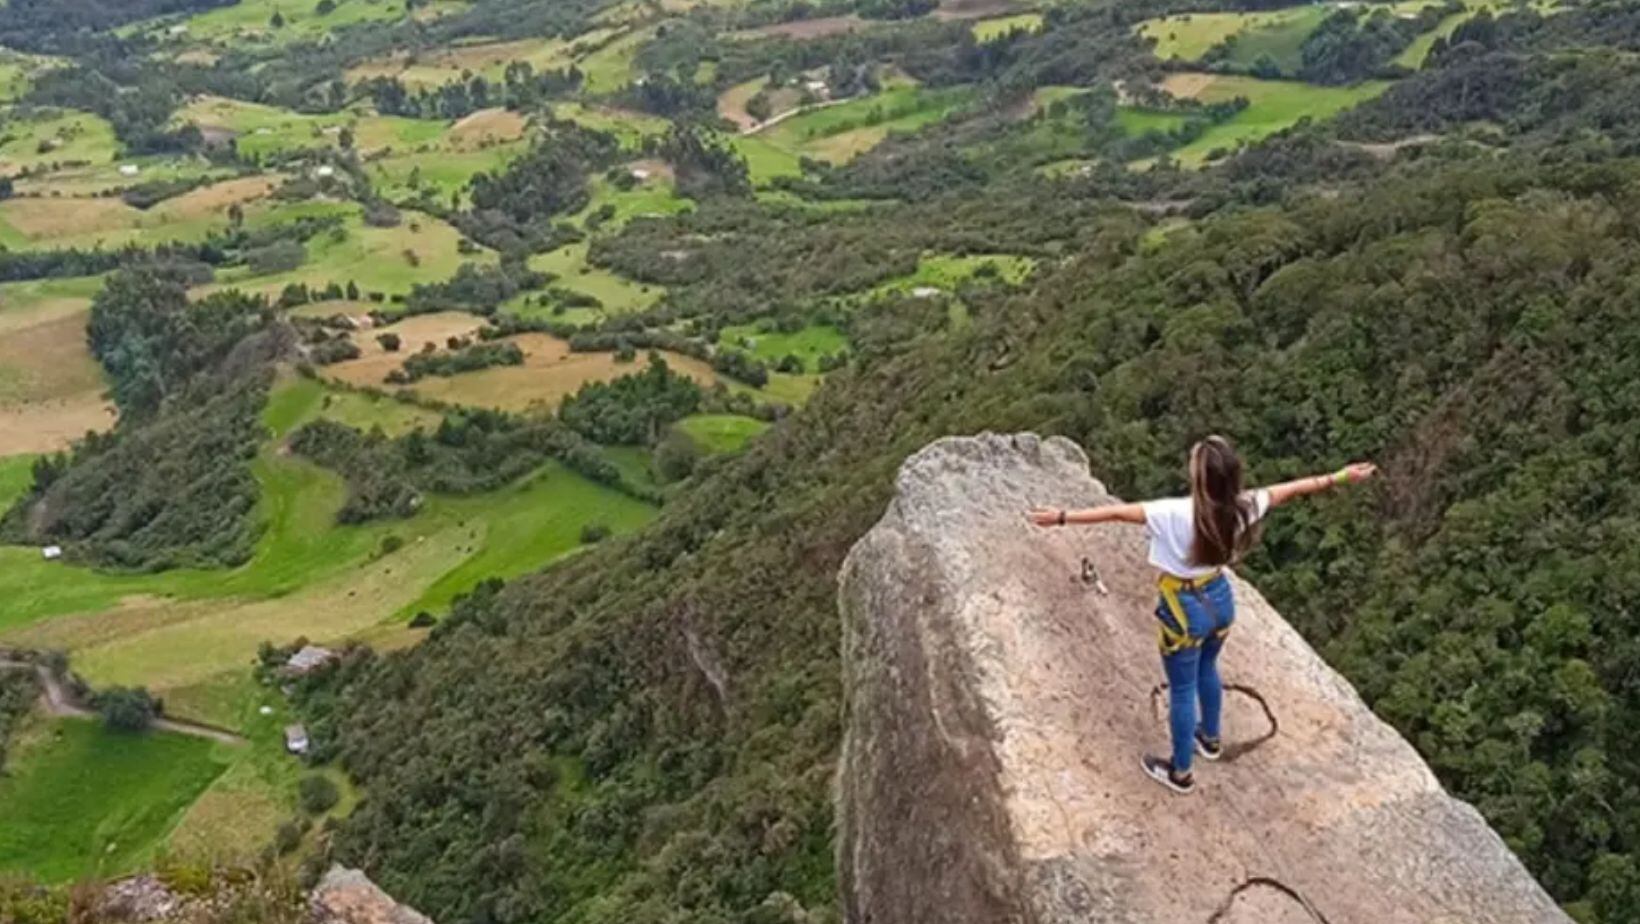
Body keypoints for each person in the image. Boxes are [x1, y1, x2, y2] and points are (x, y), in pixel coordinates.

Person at [1029, 436, 1376, 795]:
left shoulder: (1173, 513)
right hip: (1220, 599)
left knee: (1182, 689)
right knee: (1207, 667)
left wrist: (1062, 518)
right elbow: (1293, 489)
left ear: (1200, 478)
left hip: (1183, 607)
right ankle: (1209, 739)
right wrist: (1341, 477)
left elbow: (1116, 513)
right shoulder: (1243, 507)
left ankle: (1180, 773)